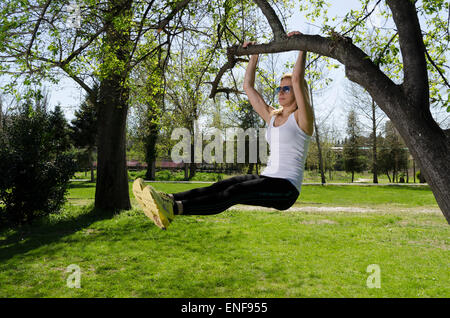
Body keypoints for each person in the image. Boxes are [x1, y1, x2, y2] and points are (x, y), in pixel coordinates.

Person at [133, 31, 314, 230]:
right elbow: (248, 87)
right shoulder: (272, 116)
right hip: (267, 178)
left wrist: (301, 44)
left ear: (298, 93)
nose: (281, 92)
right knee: (221, 186)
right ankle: (165, 199)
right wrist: (255, 55)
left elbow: (297, 78)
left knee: (233, 193)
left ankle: (174, 209)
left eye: (286, 89)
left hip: (285, 189)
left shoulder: (302, 119)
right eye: (279, 88)